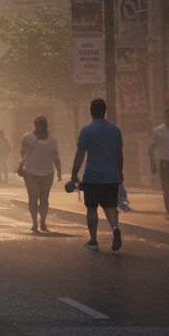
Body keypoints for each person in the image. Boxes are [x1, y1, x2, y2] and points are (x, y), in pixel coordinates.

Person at [69, 99, 124, 251]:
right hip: (111, 176)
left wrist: (74, 174)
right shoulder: (115, 130)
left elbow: (80, 154)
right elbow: (119, 154)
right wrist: (120, 173)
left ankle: (93, 240)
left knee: (91, 207)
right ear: (104, 111)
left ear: (91, 112)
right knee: (111, 206)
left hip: (92, 176)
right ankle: (114, 229)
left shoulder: (86, 130)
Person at [19, 116, 61, 233]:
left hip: (32, 172)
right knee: (44, 198)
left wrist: (23, 163)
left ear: (35, 125)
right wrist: (59, 170)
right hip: (46, 173)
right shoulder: (52, 139)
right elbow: (55, 156)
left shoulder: (27, 137)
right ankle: (41, 222)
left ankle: (35, 223)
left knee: (33, 198)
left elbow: (23, 153)